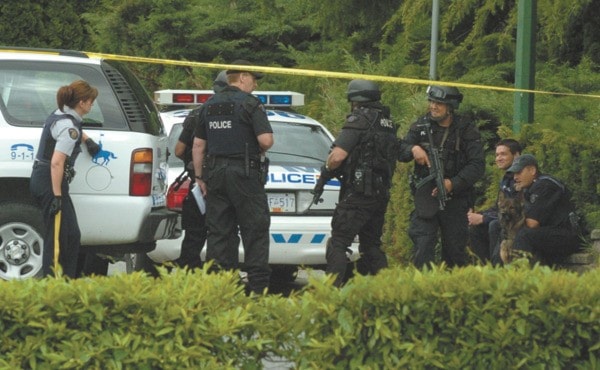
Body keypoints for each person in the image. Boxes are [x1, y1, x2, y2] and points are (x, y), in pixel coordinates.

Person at [192, 60, 273, 294]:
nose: (255, 84)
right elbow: (266, 140)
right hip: (245, 174)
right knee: (255, 229)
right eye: (254, 79)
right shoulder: (250, 104)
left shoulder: (209, 105)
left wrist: (200, 177)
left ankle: (222, 288)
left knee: (220, 231)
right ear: (243, 77)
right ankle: (258, 289)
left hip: (215, 175)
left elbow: (198, 145)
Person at [313, 79, 398, 287]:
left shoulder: (359, 120)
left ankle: (331, 293)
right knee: (371, 246)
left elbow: (337, 156)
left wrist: (326, 172)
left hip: (358, 194)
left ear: (355, 100)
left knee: (338, 243)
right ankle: (386, 291)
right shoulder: (387, 122)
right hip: (379, 194)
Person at [398, 85, 485, 268]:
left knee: (455, 252)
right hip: (426, 198)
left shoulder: (466, 129)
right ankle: (421, 289)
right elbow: (400, 150)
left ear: (450, 106)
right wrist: (413, 149)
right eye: (431, 101)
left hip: (455, 199)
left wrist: (452, 184)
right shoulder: (421, 125)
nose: (433, 106)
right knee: (423, 245)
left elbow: (477, 165)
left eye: (439, 103)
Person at [30, 80, 100, 278]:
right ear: (82, 103)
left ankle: (67, 280)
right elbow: (57, 162)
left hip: (46, 179)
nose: (92, 105)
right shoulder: (69, 127)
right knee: (58, 238)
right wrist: (57, 196)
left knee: (71, 235)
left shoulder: (62, 114)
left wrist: (86, 139)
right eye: (91, 101)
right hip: (50, 182)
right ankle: (53, 286)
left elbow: (69, 129)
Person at [171, 71, 228, 269]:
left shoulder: (197, 113)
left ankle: (190, 277)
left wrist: (194, 165)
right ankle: (220, 275)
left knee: (194, 235)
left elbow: (179, 150)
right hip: (228, 183)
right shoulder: (242, 110)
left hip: (199, 185)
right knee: (222, 233)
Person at [506, 154, 585, 264]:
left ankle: (519, 276)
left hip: (567, 236)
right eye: (514, 174)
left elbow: (532, 223)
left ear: (532, 170)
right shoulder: (529, 188)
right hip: (551, 233)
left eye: (519, 172)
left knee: (524, 235)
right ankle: (497, 273)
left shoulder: (545, 185)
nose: (515, 177)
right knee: (497, 227)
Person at [467, 138, 521, 264]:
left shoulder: (521, 177)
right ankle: (484, 269)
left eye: (503, 154)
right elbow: (498, 207)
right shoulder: (506, 178)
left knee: (494, 225)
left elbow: (514, 210)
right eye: (497, 155)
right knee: (474, 228)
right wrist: (480, 215)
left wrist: (484, 219)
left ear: (516, 155)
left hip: (516, 224)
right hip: (503, 219)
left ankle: (497, 268)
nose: (498, 158)